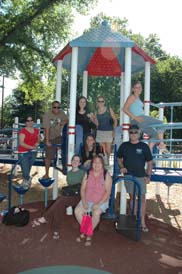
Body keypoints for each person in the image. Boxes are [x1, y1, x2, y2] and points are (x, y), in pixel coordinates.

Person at [32, 155, 85, 239]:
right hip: (70, 195)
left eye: (77, 160)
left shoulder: (82, 172)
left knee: (60, 201)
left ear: (80, 163)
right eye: (73, 160)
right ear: (71, 162)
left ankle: (45, 218)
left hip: (79, 196)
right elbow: (70, 187)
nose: (75, 162)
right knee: (60, 203)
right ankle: (55, 230)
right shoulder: (69, 173)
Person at [117, 124, 153, 232]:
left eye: (135, 132)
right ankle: (135, 220)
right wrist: (122, 167)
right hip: (129, 176)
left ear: (139, 133)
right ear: (129, 134)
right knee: (132, 198)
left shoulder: (144, 146)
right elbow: (119, 159)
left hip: (141, 176)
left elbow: (150, 162)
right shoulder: (124, 146)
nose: (133, 134)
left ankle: (142, 222)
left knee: (142, 198)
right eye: (131, 132)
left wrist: (148, 175)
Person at [75, 155, 112, 246]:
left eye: (99, 162)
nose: (96, 164)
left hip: (101, 200)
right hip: (87, 199)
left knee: (96, 212)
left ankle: (87, 234)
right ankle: (88, 231)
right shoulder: (87, 174)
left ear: (102, 164)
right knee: (77, 211)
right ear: (92, 164)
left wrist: (98, 204)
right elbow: (83, 189)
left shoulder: (106, 175)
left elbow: (107, 192)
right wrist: (83, 201)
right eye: (95, 162)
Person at [123, 81, 168, 152]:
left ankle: (148, 152)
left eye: (140, 87)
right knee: (161, 124)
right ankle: (161, 144)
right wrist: (135, 117)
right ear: (133, 89)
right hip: (139, 118)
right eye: (136, 87)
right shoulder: (132, 97)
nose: (139, 89)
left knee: (155, 134)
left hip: (140, 121)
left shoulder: (137, 97)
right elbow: (124, 108)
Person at [42, 100, 68, 179]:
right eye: (55, 107)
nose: (57, 109)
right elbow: (47, 129)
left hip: (58, 136)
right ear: (52, 107)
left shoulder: (61, 113)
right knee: (48, 156)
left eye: (58, 107)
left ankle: (64, 166)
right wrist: (47, 141)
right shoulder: (47, 115)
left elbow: (66, 120)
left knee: (66, 147)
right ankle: (46, 174)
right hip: (49, 137)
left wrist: (61, 123)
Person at [18, 116, 40, 188]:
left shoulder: (36, 130)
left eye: (31, 120)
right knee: (25, 169)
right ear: (25, 122)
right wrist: (31, 147)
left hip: (33, 152)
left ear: (33, 121)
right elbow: (21, 143)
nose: (30, 122)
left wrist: (37, 143)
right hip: (23, 153)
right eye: (28, 120)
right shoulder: (23, 131)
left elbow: (38, 139)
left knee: (28, 168)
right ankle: (27, 179)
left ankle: (25, 181)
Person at [94, 96, 117, 164]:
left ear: (104, 102)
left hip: (109, 131)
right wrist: (92, 118)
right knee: (101, 149)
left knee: (108, 150)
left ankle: (107, 163)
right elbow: (97, 124)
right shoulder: (96, 111)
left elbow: (115, 120)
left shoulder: (109, 109)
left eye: (102, 101)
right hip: (99, 132)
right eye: (99, 101)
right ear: (97, 102)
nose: (100, 103)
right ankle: (101, 163)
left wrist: (114, 131)